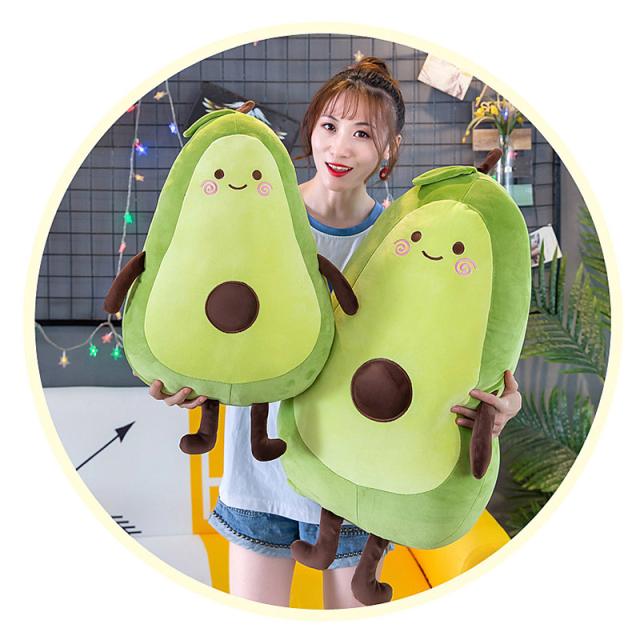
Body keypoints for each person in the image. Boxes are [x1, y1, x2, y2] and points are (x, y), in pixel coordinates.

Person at [148, 57, 522, 608]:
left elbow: (441, 345)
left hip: (353, 483)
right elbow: (215, 315)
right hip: (259, 478)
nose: (340, 147)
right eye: (330, 125)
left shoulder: (406, 244)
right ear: (312, 128)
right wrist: (187, 380)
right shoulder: (259, 211)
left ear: (389, 148)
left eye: (363, 133)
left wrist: (503, 403)